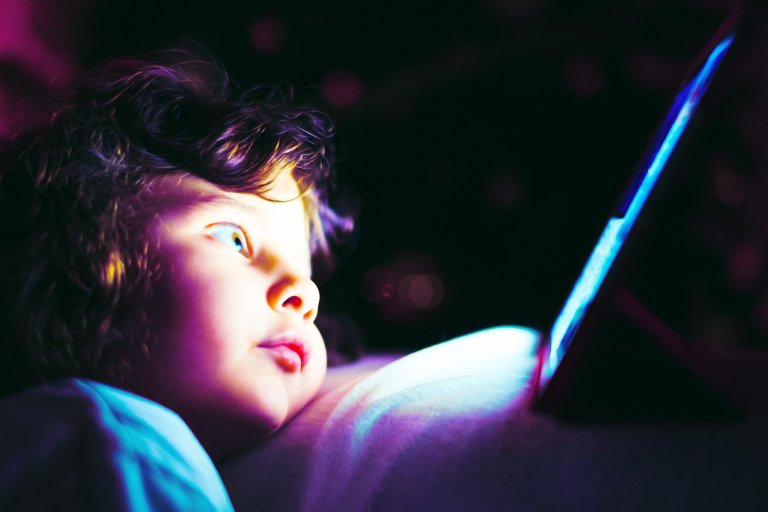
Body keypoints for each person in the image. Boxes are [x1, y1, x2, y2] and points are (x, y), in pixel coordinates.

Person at [0, 49, 350, 473]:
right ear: (79, 260)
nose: (304, 293)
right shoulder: (112, 446)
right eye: (235, 239)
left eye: (305, 272)